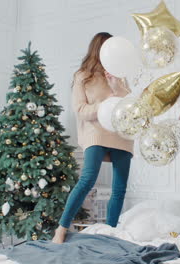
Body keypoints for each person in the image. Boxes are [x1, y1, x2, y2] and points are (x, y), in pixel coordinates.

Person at [52, 32, 133, 244]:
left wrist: (116, 87)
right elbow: (80, 109)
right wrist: (105, 106)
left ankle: (111, 232)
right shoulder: (83, 76)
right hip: (96, 131)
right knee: (87, 179)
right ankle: (61, 228)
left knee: (120, 188)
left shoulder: (120, 75)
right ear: (99, 49)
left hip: (121, 134)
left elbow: (130, 107)